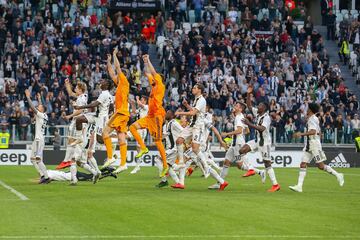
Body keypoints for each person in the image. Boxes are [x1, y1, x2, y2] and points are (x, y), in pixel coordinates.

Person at [175, 84, 229, 191]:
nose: (192, 89)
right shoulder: (196, 100)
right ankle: (222, 182)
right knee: (179, 141)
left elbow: (193, 113)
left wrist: (181, 112)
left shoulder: (202, 101)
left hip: (197, 130)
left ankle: (182, 180)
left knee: (194, 155)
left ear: (199, 90)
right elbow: (194, 112)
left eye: (194, 88)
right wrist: (187, 106)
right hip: (192, 126)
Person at [209, 102, 265, 190]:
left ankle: (260, 172)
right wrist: (236, 135)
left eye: (236, 106)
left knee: (240, 165)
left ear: (240, 109)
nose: (234, 107)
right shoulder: (241, 117)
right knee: (226, 162)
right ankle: (220, 183)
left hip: (238, 144)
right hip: (235, 143)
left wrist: (227, 134)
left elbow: (239, 131)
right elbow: (247, 131)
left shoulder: (239, 117)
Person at [289, 103, 344, 192]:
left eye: (307, 108)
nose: (306, 109)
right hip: (309, 144)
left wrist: (301, 134)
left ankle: (338, 175)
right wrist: (318, 134)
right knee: (303, 164)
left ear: (310, 110)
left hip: (314, 145)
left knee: (321, 166)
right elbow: (318, 131)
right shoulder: (314, 118)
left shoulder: (312, 119)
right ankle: (299, 186)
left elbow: (313, 131)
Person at [129, 54, 168, 178]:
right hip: (150, 116)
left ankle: (166, 166)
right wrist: (144, 62)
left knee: (158, 142)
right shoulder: (154, 86)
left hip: (157, 116)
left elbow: (153, 72)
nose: (152, 79)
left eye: (154, 78)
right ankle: (144, 147)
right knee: (132, 127)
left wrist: (149, 60)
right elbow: (147, 73)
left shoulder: (160, 86)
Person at [239, 86, 281, 192]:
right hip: (257, 140)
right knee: (242, 150)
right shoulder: (257, 113)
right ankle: (251, 169)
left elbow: (262, 129)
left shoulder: (266, 117)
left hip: (265, 143)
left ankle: (275, 185)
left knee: (267, 164)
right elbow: (249, 105)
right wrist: (249, 94)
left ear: (264, 108)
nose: (258, 106)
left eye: (260, 105)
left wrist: (249, 124)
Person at [72, 79, 113, 175]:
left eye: (103, 82)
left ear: (106, 85)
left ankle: (114, 141)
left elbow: (94, 104)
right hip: (98, 115)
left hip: (101, 118)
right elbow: (111, 106)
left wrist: (80, 107)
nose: (100, 83)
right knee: (79, 119)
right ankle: (79, 138)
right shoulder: (107, 94)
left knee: (100, 140)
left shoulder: (104, 94)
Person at [102, 48, 130, 174]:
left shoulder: (124, 81)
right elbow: (111, 72)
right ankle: (123, 164)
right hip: (124, 114)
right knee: (121, 139)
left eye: (119, 74)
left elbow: (117, 68)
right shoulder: (120, 84)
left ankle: (110, 157)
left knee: (105, 132)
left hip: (120, 112)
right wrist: (108, 61)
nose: (117, 75)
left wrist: (114, 55)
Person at [55, 79, 88, 170]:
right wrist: (67, 84)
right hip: (79, 121)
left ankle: (67, 160)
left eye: (77, 88)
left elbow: (80, 110)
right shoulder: (81, 96)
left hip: (77, 121)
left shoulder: (81, 99)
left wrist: (70, 115)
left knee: (71, 140)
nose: (75, 89)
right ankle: (68, 159)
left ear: (80, 90)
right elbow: (70, 93)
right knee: (73, 140)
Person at [25, 89, 50, 184]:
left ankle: (47, 177)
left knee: (38, 159)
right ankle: (42, 175)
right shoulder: (43, 115)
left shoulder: (41, 115)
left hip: (40, 139)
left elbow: (33, 108)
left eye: (39, 106)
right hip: (37, 139)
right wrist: (39, 99)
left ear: (42, 109)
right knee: (32, 159)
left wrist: (28, 97)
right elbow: (39, 108)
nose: (37, 107)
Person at [155, 110, 184, 188]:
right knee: (168, 166)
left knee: (157, 158)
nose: (166, 114)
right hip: (169, 148)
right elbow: (165, 135)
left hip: (173, 148)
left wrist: (183, 142)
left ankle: (164, 180)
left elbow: (183, 131)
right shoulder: (166, 125)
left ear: (172, 116)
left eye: (168, 113)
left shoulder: (174, 123)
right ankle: (178, 182)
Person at [129, 95, 149, 174]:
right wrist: (133, 104)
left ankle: (137, 166)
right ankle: (137, 166)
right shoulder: (140, 109)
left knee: (138, 147)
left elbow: (140, 104)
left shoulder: (146, 107)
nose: (141, 101)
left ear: (145, 101)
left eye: (142, 100)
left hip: (142, 129)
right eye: (141, 99)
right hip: (136, 128)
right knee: (125, 136)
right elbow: (133, 112)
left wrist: (137, 99)